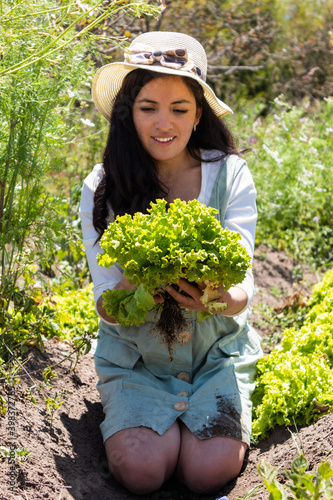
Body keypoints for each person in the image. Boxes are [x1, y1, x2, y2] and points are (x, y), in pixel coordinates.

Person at [79, 31, 263, 495]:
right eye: (148, 108)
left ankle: (193, 433)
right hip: (138, 358)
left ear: (198, 114)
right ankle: (146, 420)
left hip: (214, 355)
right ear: (128, 113)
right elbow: (105, 298)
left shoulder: (230, 174)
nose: (164, 123)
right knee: (140, 472)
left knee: (209, 472)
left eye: (179, 109)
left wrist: (221, 299)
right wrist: (132, 291)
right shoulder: (102, 186)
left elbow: (242, 279)